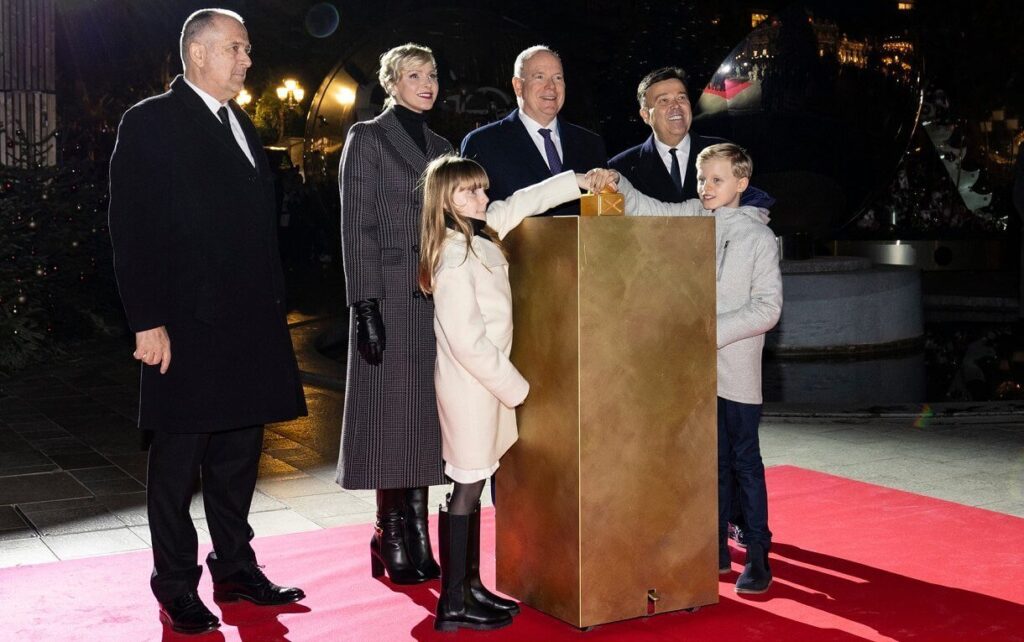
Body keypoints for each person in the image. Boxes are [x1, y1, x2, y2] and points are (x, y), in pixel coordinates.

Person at [108, 8, 306, 635]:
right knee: (177, 461)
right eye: (236, 49)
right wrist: (147, 321)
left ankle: (235, 566)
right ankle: (175, 585)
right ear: (197, 53)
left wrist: (276, 310)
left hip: (248, 327)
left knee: (239, 456)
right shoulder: (150, 122)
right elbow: (130, 230)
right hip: (184, 328)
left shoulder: (241, 122)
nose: (247, 61)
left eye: (246, 50)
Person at [419, 155, 616, 631]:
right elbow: (467, 342)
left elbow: (528, 199)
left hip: (485, 389)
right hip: (473, 389)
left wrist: (581, 181)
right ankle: (453, 603)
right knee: (465, 489)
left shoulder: (480, 232)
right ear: (446, 199)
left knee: (476, 483)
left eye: (483, 189)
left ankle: (469, 587)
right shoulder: (451, 253)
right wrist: (515, 386)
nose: (484, 198)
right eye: (471, 191)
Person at [609, 143, 782, 594]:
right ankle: (717, 549)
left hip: (737, 367)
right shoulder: (694, 216)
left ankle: (759, 554)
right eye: (703, 179)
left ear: (742, 184)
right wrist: (618, 182)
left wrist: (709, 330)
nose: (706, 188)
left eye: (717, 180)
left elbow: (768, 308)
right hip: (695, 370)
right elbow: (648, 208)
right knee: (712, 462)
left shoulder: (759, 238)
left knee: (745, 461)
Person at [336, 43, 453, 586]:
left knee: (426, 421)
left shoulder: (442, 146)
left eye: (430, 74)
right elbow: (354, 226)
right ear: (392, 83)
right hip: (386, 295)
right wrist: (364, 307)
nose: (426, 83)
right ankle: (389, 533)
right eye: (414, 74)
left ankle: (418, 530)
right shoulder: (368, 138)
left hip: (434, 299)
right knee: (391, 418)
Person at [460, 45, 607, 217]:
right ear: (518, 86)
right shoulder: (482, 144)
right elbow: (471, 218)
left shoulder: (590, 144)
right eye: (539, 77)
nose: (551, 86)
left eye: (558, 78)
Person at [611, 66, 768, 206]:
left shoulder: (726, 153)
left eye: (681, 97)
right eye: (664, 100)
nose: (676, 106)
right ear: (645, 115)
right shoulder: (620, 169)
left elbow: (753, 200)